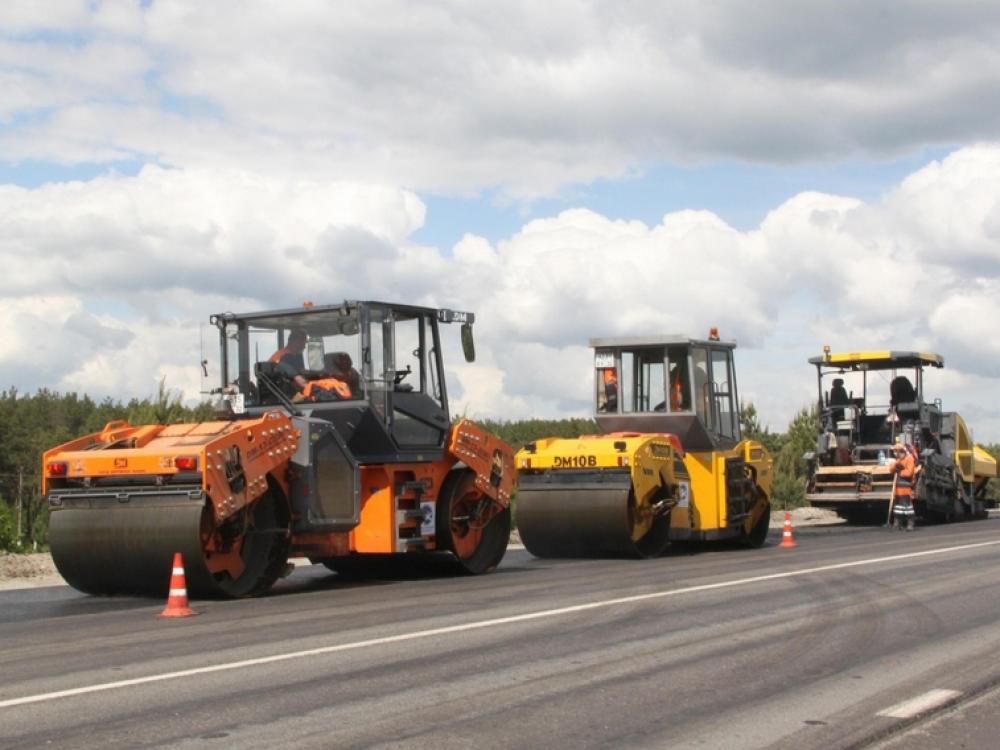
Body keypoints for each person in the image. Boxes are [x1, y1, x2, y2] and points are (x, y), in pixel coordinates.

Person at [888, 441, 917, 531]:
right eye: (896, 452)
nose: (897, 454)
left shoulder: (909, 459)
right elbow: (891, 470)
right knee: (898, 506)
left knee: (907, 506)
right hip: (898, 488)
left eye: (898, 452)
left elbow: (909, 473)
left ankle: (910, 523)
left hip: (906, 488)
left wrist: (900, 471)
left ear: (903, 451)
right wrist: (895, 466)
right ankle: (897, 523)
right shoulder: (899, 460)